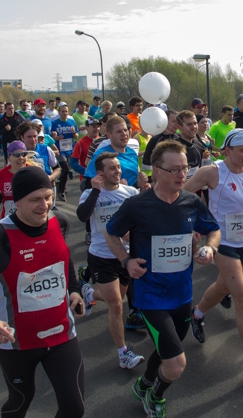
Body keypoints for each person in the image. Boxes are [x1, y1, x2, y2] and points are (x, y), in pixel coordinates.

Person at [0, 167, 86, 418]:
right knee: (20, 402)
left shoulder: (60, 222)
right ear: (17, 201)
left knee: (74, 407)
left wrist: (74, 290)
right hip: (16, 342)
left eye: (48, 197)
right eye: (35, 199)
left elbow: (63, 259)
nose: (44, 205)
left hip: (61, 334)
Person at [104, 140, 219, 417]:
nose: (183, 175)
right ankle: (155, 395)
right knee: (177, 363)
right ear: (156, 171)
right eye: (175, 169)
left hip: (182, 294)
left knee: (168, 348)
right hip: (151, 296)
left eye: (186, 168)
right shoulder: (137, 205)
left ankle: (143, 384)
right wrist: (126, 260)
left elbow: (213, 229)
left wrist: (209, 247)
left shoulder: (192, 202)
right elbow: (111, 233)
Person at [184, 128, 243, 380]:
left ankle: (197, 314)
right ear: (227, 150)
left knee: (222, 286)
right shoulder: (213, 172)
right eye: (242, 150)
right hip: (222, 242)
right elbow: (182, 194)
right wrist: (195, 224)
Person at [76, 152, 145, 369]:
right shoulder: (90, 193)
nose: (117, 171)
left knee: (118, 297)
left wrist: (132, 230)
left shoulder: (130, 192)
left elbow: (142, 220)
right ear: (100, 173)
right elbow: (82, 215)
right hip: (101, 255)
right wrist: (96, 191)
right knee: (116, 304)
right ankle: (123, 353)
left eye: (118, 167)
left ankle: (89, 293)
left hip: (124, 256)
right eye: (112, 168)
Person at [0, 141, 32, 219]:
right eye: (16, 155)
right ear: (9, 158)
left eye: (23, 154)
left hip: (31, 218)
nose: (21, 158)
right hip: (9, 219)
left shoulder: (34, 173)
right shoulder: (0, 175)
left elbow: (48, 194)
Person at [50, 103, 77, 202]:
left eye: (66, 111)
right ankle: (61, 191)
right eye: (62, 111)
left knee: (66, 171)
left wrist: (74, 133)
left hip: (69, 149)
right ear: (59, 112)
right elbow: (51, 137)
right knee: (65, 169)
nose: (64, 113)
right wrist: (55, 138)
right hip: (59, 150)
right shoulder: (54, 123)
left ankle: (62, 186)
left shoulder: (71, 122)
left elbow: (76, 136)